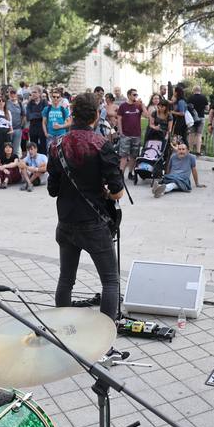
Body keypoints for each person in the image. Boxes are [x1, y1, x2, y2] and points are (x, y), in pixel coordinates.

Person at [47, 93, 123, 319]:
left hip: (66, 222)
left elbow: (52, 190)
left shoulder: (57, 144)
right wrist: (106, 193)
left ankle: (61, 330)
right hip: (93, 224)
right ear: (97, 115)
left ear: (72, 115)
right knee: (110, 281)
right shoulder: (101, 144)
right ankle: (106, 338)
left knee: (66, 280)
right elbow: (117, 190)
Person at [116, 89, 144, 180]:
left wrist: (142, 105)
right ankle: (121, 174)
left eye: (136, 94)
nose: (135, 96)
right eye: (134, 94)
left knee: (133, 155)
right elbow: (119, 119)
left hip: (136, 134)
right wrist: (120, 132)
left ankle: (130, 173)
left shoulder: (138, 106)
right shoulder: (123, 106)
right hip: (126, 134)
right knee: (124, 155)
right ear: (128, 95)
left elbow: (147, 115)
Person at [186, 84, 208, 155]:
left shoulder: (190, 98)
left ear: (193, 90)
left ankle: (190, 150)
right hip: (201, 117)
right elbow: (207, 108)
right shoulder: (204, 97)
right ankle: (198, 151)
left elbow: (187, 108)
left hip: (192, 118)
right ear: (200, 90)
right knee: (199, 135)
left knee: (191, 135)